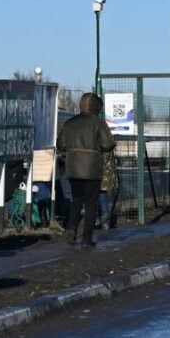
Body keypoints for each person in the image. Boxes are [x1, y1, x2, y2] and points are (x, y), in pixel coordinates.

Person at [56, 92, 115, 247]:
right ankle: (87, 239)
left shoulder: (70, 122)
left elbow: (61, 144)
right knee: (91, 203)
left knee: (76, 200)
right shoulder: (98, 123)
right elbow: (108, 144)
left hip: (73, 167)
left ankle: (71, 230)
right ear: (96, 106)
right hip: (91, 168)